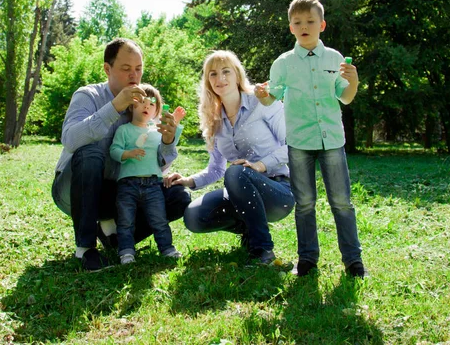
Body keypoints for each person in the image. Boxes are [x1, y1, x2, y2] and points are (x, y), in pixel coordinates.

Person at [51, 38, 190, 271]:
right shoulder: (88, 96)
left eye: (138, 69)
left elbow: (154, 162)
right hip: (74, 188)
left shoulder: (143, 104)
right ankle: (85, 249)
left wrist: (167, 141)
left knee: (177, 197)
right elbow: (71, 139)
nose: (134, 76)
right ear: (108, 69)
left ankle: (116, 238)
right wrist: (115, 106)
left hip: (121, 191)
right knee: (90, 152)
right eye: (126, 69)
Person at [254, 0, 366, 278]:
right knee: (304, 204)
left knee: (341, 202)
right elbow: (272, 98)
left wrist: (353, 81)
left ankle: (353, 262)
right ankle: (307, 260)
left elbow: (347, 97)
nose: (304, 26)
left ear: (322, 25)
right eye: (297, 22)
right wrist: (263, 94)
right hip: (300, 142)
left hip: (332, 141)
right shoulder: (283, 63)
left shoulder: (335, 58)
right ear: (291, 27)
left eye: (310, 21)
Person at [165, 50, 295, 264]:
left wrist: (260, 166)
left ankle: (262, 249)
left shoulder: (261, 102)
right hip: (239, 192)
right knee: (194, 217)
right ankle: (249, 228)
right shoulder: (214, 119)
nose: (220, 78)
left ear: (237, 75)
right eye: (213, 74)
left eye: (226, 71)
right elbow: (216, 169)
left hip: (278, 190)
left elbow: (292, 145)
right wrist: (188, 181)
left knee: (236, 172)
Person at [109, 84, 183, 264]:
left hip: (153, 184)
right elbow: (114, 150)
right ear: (132, 105)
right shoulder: (124, 130)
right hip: (127, 184)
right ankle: (126, 251)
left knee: (159, 219)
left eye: (152, 105)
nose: (146, 107)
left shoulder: (156, 132)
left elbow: (169, 145)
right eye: (142, 102)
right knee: (125, 220)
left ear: (156, 110)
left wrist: (175, 123)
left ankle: (167, 248)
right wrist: (128, 153)